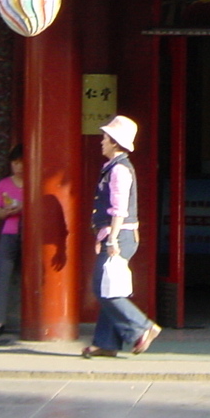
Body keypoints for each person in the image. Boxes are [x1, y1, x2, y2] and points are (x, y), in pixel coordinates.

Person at [83, 115, 160, 358]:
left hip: (121, 235)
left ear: (116, 142)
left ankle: (142, 327)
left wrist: (112, 239)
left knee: (103, 288)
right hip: (118, 235)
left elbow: (119, 209)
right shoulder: (113, 167)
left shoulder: (119, 170)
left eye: (105, 137)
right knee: (108, 286)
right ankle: (107, 343)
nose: (102, 141)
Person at [0, 144, 24, 337]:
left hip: (30, 232)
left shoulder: (35, 181)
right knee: (1, 275)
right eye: (15, 162)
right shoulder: (3, 185)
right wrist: (7, 211)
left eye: (22, 163)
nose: (18, 167)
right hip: (9, 230)